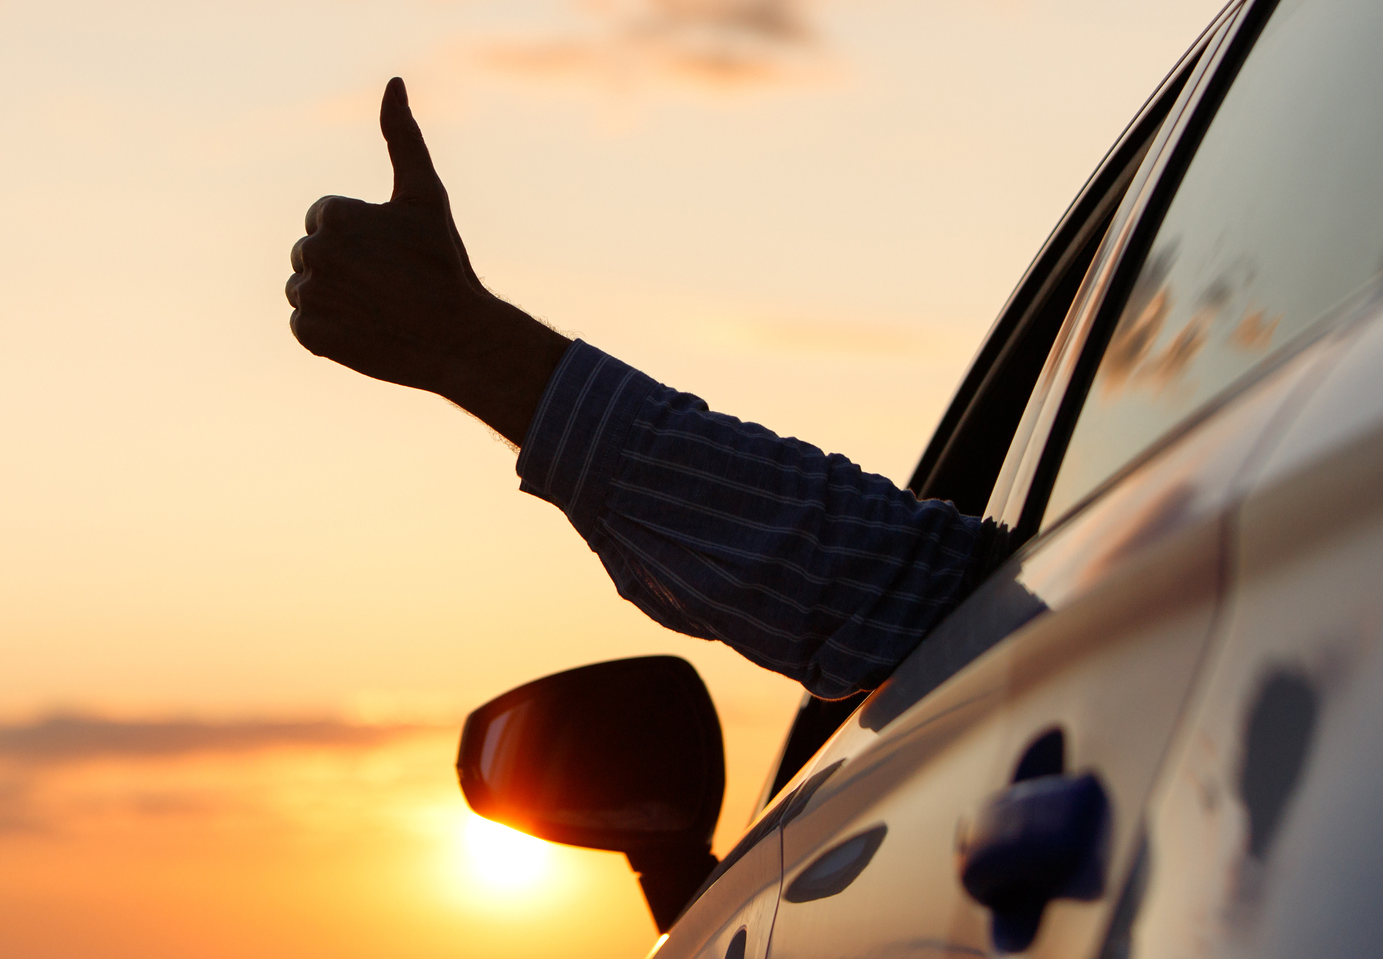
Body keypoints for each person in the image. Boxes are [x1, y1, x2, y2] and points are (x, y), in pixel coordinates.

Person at [285, 78, 1012, 698]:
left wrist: (467, 344)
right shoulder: (1074, 583)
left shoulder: (1043, 599)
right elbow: (908, 587)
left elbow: (895, 589)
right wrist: (465, 346)